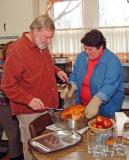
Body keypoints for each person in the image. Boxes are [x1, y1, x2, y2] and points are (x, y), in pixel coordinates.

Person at [1, 15, 68, 160]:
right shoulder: (17, 50)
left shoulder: (41, 45)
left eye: (51, 38)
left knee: (47, 145)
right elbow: (7, 85)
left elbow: (45, 64)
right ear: (35, 31)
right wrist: (29, 99)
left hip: (46, 106)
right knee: (33, 147)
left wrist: (57, 70)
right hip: (29, 111)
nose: (49, 41)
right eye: (46, 37)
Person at [61, 29, 124, 119]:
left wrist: (97, 100)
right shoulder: (81, 57)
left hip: (106, 109)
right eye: (85, 48)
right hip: (83, 105)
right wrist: (70, 86)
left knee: (103, 131)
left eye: (90, 49)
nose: (86, 51)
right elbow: (74, 76)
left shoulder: (112, 61)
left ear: (101, 47)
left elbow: (110, 85)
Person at [0, 42, 23, 160]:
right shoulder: (3, 66)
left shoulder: (14, 65)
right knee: (13, 133)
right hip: (4, 104)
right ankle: (16, 157)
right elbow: (9, 87)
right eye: (9, 52)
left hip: (9, 103)